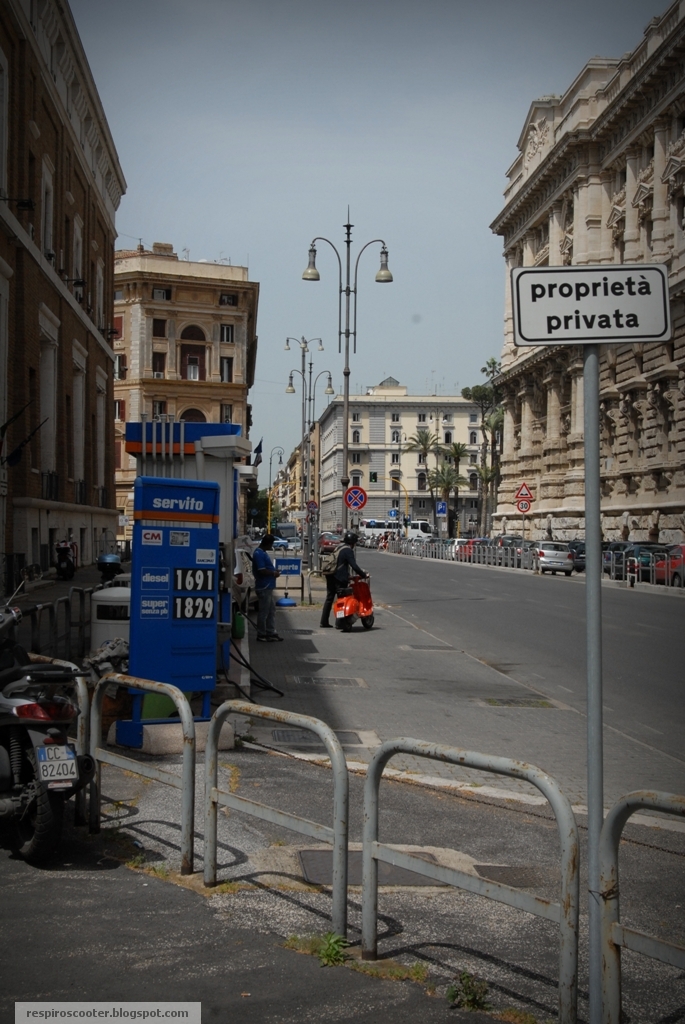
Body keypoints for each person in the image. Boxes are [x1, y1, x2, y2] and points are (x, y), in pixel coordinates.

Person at [320, 531, 367, 628]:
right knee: (342, 600)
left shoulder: (339, 547)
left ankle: (324, 621)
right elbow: (354, 566)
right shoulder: (348, 551)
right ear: (352, 543)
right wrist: (363, 575)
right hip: (340, 579)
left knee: (329, 598)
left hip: (330, 575)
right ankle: (340, 622)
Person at [252, 534, 284, 642]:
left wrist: (274, 571)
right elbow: (261, 570)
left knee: (271, 610)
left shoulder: (263, 553)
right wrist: (273, 573)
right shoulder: (259, 554)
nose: (272, 546)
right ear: (268, 544)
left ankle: (270, 632)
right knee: (264, 611)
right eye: (272, 544)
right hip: (264, 586)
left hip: (268, 586)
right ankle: (261, 634)